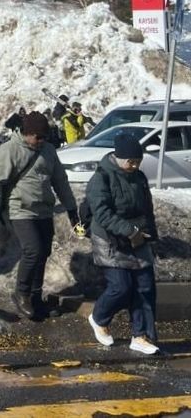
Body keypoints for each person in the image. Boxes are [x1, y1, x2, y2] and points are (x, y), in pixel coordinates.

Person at [0, 111, 80, 320]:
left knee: (44, 251)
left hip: (43, 209)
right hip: (19, 209)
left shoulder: (47, 150)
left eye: (44, 137)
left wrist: (72, 208)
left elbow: (60, 181)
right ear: (26, 133)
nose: (40, 141)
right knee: (33, 250)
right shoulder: (9, 150)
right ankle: (22, 293)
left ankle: (36, 298)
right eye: (37, 137)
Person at [86, 132, 160, 355]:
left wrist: (150, 232)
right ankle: (99, 317)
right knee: (121, 287)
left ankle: (142, 336)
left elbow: (147, 208)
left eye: (138, 161)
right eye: (131, 161)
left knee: (145, 287)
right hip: (110, 239)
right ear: (118, 158)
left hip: (137, 236)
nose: (135, 165)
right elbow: (102, 213)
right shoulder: (101, 178)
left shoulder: (139, 177)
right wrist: (128, 231)